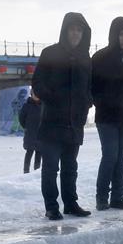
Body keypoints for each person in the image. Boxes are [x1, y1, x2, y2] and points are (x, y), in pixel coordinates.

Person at [32, 13, 93, 220]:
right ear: (65, 31)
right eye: (72, 29)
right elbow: (37, 83)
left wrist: (86, 104)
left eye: (79, 30)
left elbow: (90, 87)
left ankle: (70, 203)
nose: (75, 33)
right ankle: (51, 206)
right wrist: (53, 97)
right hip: (52, 122)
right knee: (50, 168)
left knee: (70, 167)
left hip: (75, 122)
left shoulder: (86, 58)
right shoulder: (49, 53)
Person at [91, 16, 123, 211]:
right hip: (106, 117)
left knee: (122, 157)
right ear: (114, 34)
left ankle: (117, 197)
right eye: (121, 34)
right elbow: (93, 86)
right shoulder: (100, 57)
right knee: (110, 155)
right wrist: (102, 103)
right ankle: (102, 197)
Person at [18, 89, 42, 174]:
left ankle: (36, 171)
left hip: (40, 134)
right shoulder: (27, 106)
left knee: (39, 153)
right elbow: (21, 118)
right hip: (30, 134)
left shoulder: (43, 105)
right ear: (31, 94)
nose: (36, 96)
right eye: (34, 94)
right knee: (29, 152)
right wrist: (26, 127)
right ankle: (26, 171)